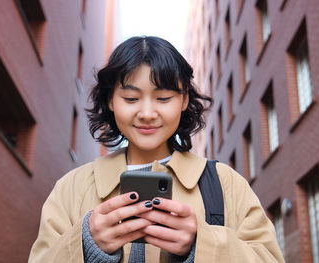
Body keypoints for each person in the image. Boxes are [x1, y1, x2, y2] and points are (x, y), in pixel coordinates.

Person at [29, 36, 284, 263]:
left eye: (163, 98)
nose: (148, 114)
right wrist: (87, 244)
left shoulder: (225, 183)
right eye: (131, 99)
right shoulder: (71, 188)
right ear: (110, 101)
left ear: (184, 99)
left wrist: (200, 244)